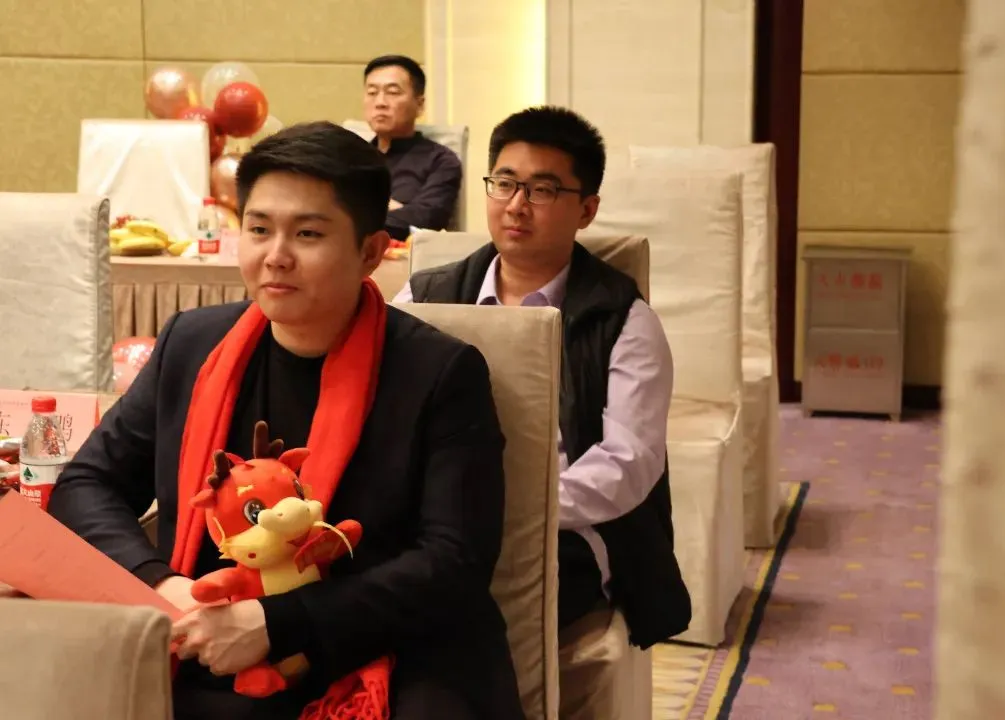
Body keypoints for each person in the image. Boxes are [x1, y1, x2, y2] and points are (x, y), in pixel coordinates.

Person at [48, 121, 524, 720]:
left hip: (379, 650)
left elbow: (453, 561)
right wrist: (164, 586)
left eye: (307, 233)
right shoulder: (193, 344)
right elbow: (86, 484)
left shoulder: (439, 372)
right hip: (206, 644)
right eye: (258, 229)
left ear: (371, 252)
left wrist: (276, 623)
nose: (276, 256)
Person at [394, 106, 691, 649]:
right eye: (505, 183)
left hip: (566, 530)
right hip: (436, 517)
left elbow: (628, 463)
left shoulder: (622, 319)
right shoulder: (424, 297)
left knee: (468, 607)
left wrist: (514, 508)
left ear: (587, 209)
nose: (516, 205)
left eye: (542, 190)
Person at [363, 54, 462, 240]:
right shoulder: (349, 158)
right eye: (372, 92)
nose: (380, 103)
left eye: (393, 92)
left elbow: (427, 219)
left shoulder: (440, 160)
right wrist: (396, 209)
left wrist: (363, 211)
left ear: (420, 105)